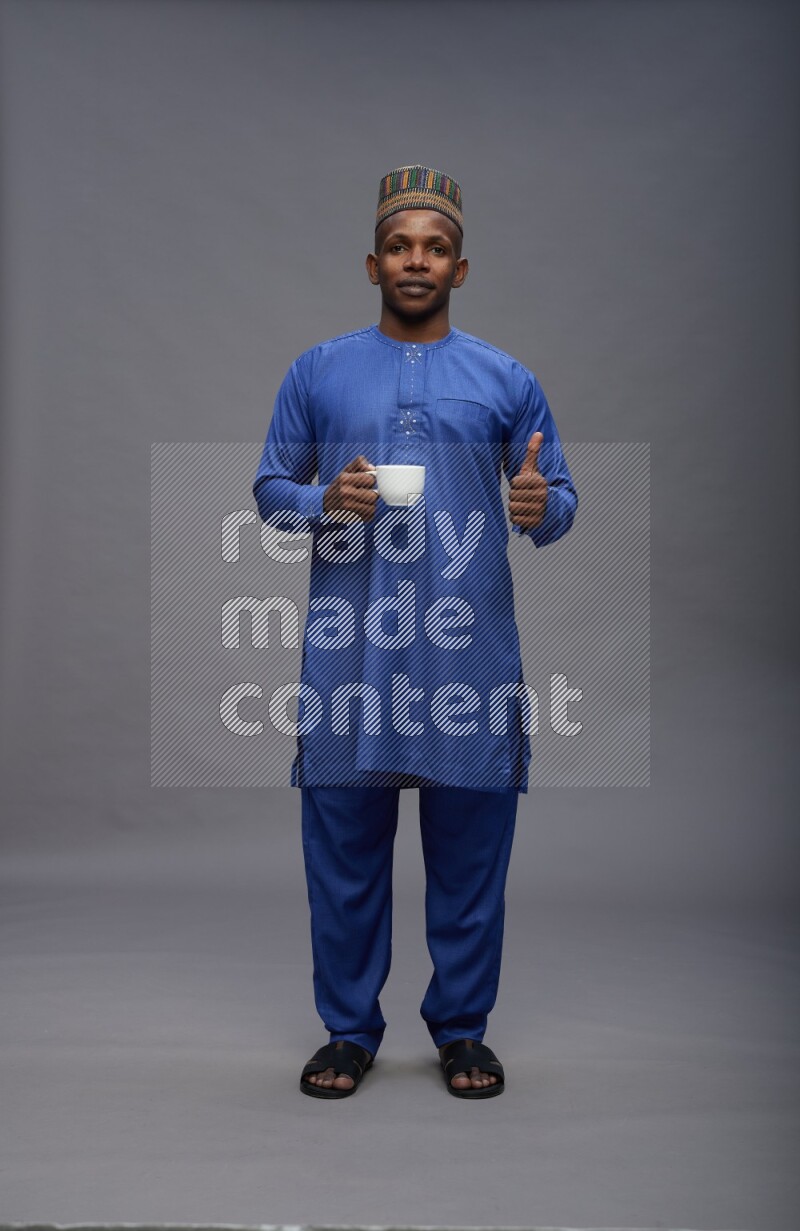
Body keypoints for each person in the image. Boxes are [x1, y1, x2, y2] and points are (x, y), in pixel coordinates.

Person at [252, 166, 577, 1099]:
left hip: (467, 657)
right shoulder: (317, 370)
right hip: (350, 659)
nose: (417, 260)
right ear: (371, 262)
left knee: (471, 859)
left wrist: (536, 503)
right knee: (344, 858)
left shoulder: (506, 378)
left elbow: (561, 501)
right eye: (401, 245)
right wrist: (324, 499)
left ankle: (463, 1031)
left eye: (435, 246)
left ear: (461, 267)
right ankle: (349, 1031)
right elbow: (271, 492)